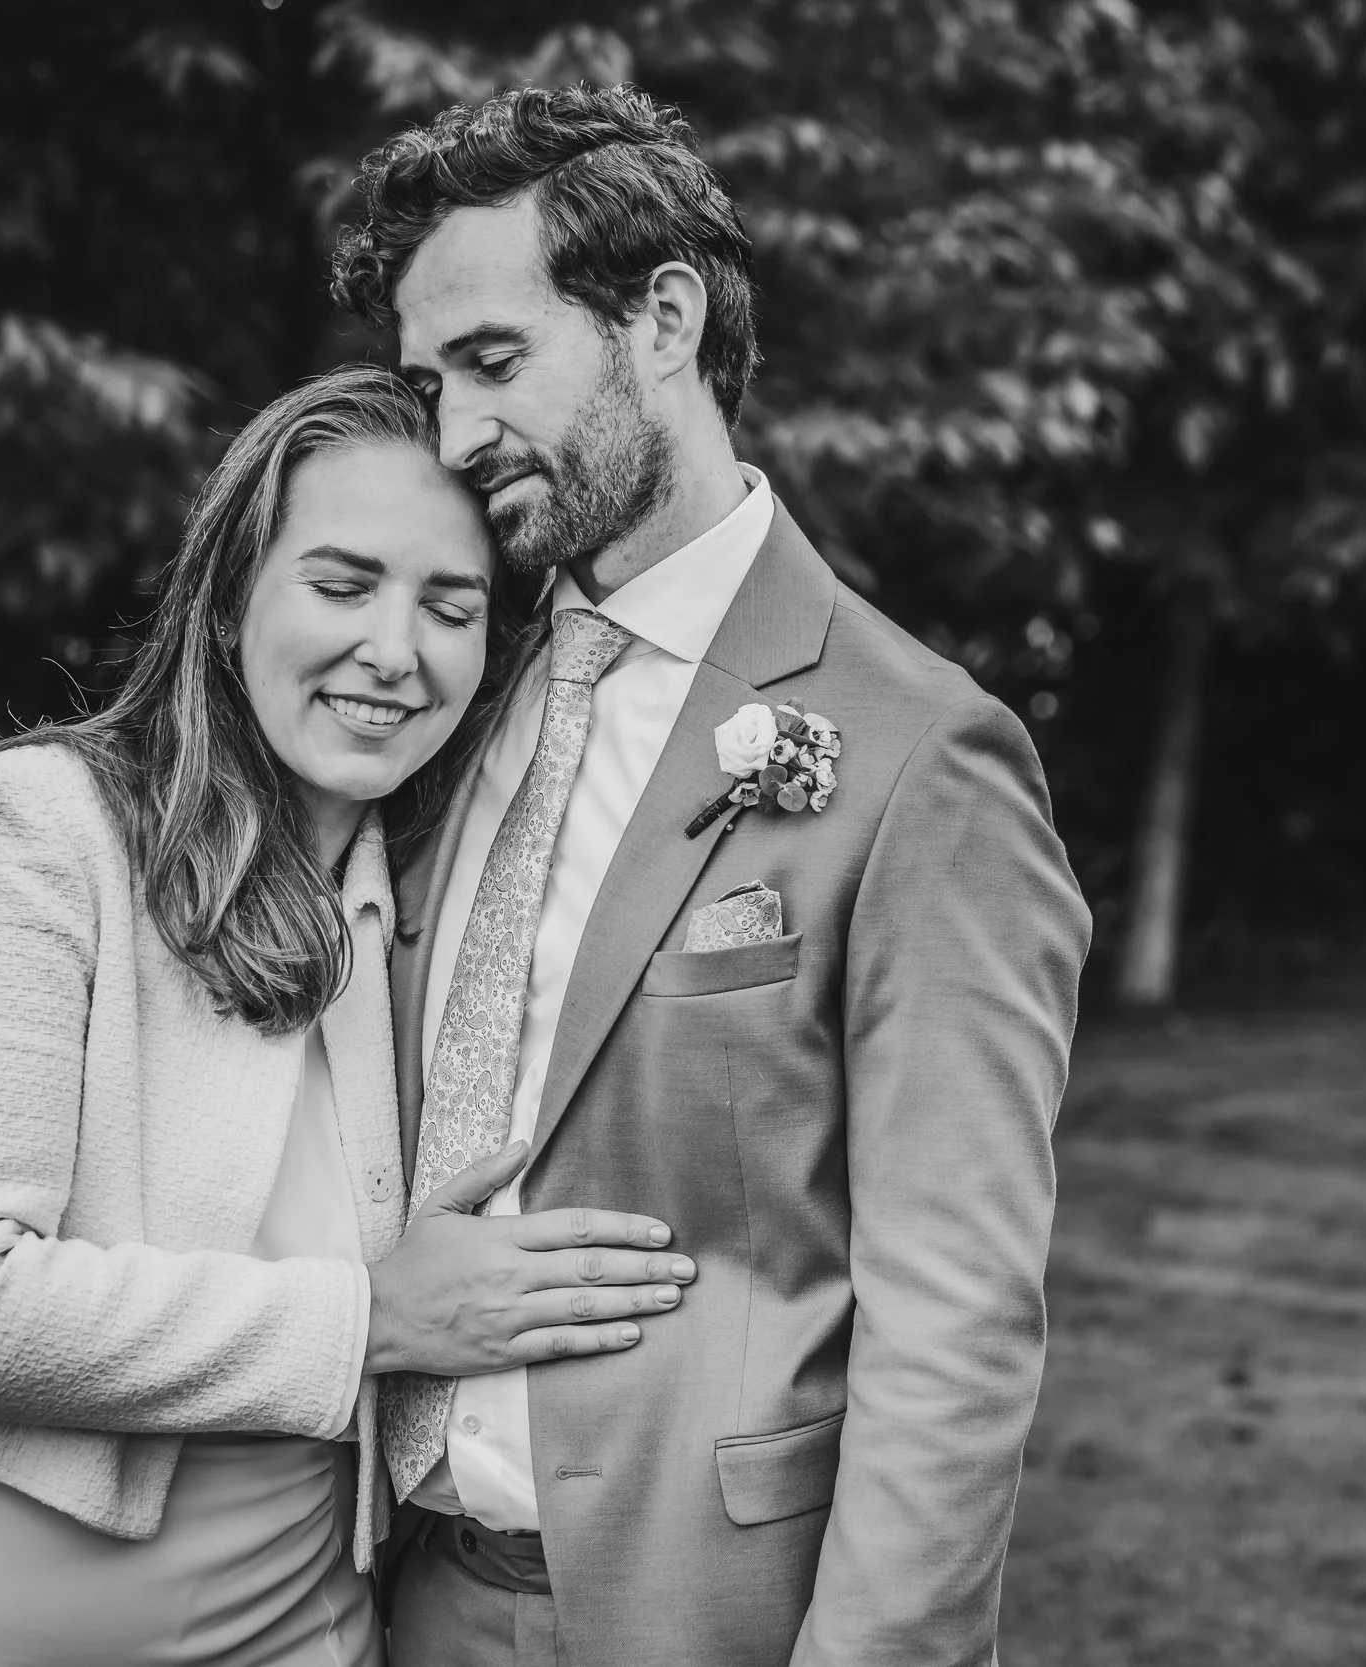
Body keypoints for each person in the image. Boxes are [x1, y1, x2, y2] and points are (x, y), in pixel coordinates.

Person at [0, 366, 696, 1667]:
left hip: (294, 1620)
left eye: (450, 606)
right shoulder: (35, 834)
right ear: (232, 593)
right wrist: (373, 1318)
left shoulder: (417, 905)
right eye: (343, 584)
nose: (394, 650)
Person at [332, 85, 1094, 1667]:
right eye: (427, 381)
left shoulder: (920, 751)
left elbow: (953, 1319)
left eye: (491, 361)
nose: (455, 434)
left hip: (706, 1617)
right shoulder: (452, 699)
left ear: (662, 319)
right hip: (402, 1597)